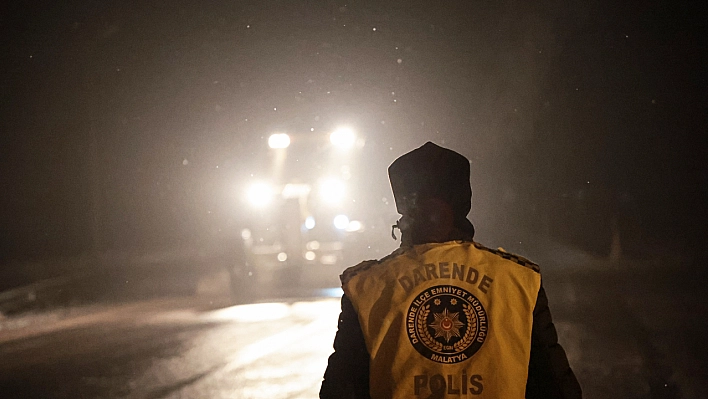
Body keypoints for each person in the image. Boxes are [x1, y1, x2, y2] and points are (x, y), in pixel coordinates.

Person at [320, 142, 581, 399]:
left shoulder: (368, 286)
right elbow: (556, 388)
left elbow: (341, 390)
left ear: (407, 211)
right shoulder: (519, 279)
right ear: (462, 205)